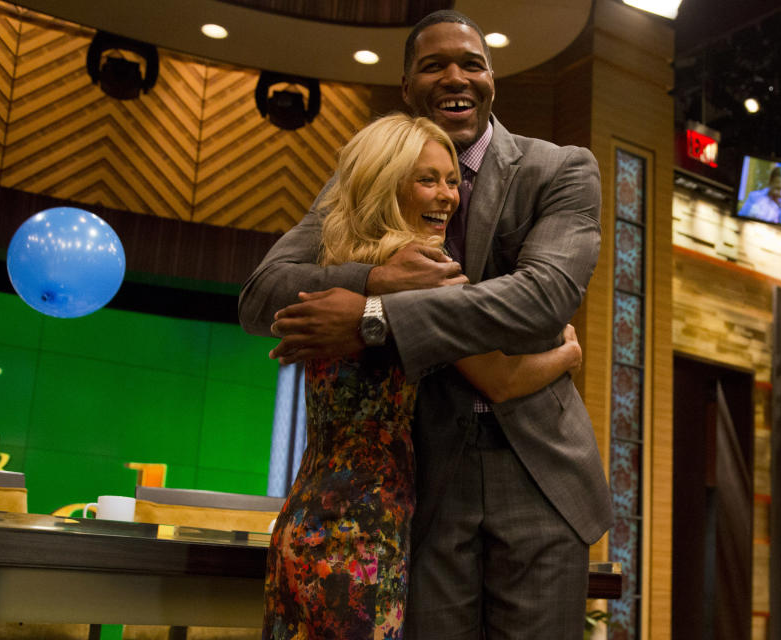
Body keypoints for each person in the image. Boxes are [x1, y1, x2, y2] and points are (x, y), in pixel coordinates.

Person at [240, 10, 615, 639]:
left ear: (493, 78)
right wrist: (373, 279)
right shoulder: (362, 185)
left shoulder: (559, 168)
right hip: (423, 485)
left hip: (540, 475)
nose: (455, 76)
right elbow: (260, 297)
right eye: (433, 65)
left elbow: (544, 297)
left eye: (471, 63)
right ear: (407, 88)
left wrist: (373, 318)